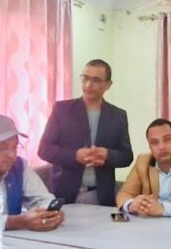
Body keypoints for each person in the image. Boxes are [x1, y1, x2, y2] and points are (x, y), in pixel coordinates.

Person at [38, 59, 133, 206]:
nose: (88, 85)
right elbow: (45, 150)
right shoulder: (62, 110)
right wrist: (75, 156)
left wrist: (107, 154)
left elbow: (127, 156)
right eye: (85, 78)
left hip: (101, 197)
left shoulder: (118, 116)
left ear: (108, 85)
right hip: (65, 195)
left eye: (96, 80)